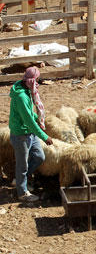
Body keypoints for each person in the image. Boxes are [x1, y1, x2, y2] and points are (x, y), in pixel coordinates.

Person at [8, 67, 52, 202]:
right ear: (33, 80)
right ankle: (22, 193)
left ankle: (22, 180)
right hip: (21, 134)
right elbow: (28, 120)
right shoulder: (21, 96)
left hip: (29, 133)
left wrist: (37, 117)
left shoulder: (27, 90)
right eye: (37, 79)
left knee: (39, 156)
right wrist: (45, 137)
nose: (38, 82)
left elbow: (29, 113)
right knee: (22, 165)